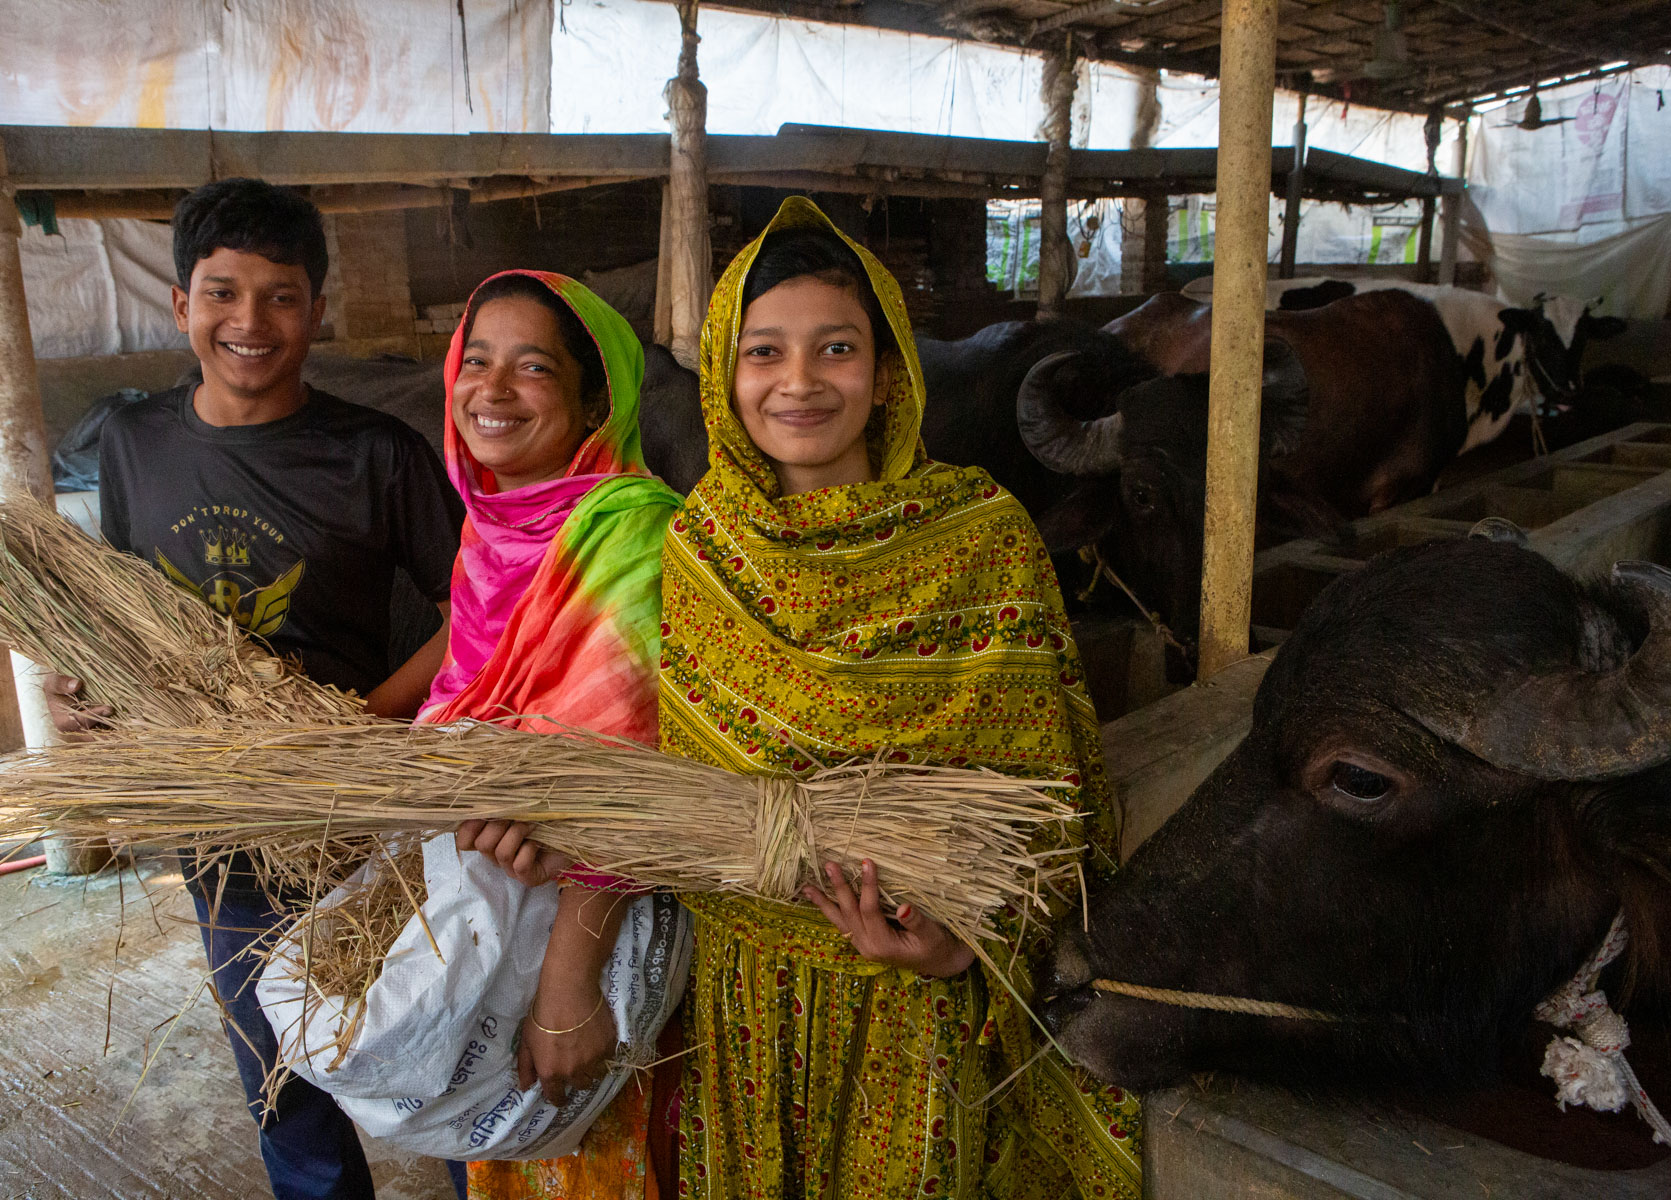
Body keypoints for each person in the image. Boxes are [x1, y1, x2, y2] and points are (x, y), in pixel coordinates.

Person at [657, 196, 1143, 1198]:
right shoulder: (703, 547)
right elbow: (690, 778)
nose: (797, 382)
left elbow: (1052, 793)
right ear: (722, 373)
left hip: (910, 1003)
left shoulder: (977, 536)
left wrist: (967, 936)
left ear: (886, 375)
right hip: (748, 997)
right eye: (763, 353)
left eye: (835, 350)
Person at [45, 178, 467, 1200]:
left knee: (431, 1035)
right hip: (222, 819)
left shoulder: (377, 454)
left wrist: (361, 723)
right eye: (222, 292)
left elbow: (481, 613)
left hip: (362, 809)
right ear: (183, 304)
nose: (249, 321)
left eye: (280, 296)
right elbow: (130, 610)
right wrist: (94, 691)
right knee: (276, 1060)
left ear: (318, 312)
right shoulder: (133, 442)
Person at [427, 271, 684, 1200]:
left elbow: (617, 782)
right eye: (477, 361)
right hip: (500, 918)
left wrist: (569, 990)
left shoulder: (629, 533)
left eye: (531, 368)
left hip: (589, 936)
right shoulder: (490, 528)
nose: (492, 391)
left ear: (591, 402)